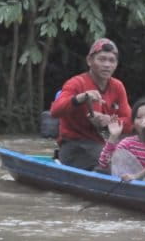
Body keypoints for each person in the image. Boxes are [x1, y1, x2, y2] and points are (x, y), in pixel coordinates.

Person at [50, 38, 132, 170]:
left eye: (112, 60)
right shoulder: (76, 83)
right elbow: (55, 111)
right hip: (74, 145)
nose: (107, 65)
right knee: (113, 166)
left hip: (103, 144)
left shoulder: (118, 86)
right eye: (102, 59)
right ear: (89, 61)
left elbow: (129, 121)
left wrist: (109, 121)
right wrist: (81, 98)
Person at [97, 97, 145, 175]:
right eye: (139, 117)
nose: (144, 121)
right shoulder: (128, 143)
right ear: (133, 123)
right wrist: (113, 136)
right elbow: (103, 163)